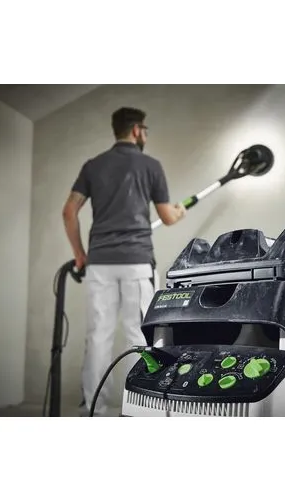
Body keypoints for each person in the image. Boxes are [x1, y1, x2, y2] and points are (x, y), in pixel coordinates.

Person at [62, 107, 186, 416]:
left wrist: (80, 254)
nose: (145, 135)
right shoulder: (150, 165)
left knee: (98, 336)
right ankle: (139, 410)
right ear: (136, 130)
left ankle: (93, 410)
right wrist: (179, 211)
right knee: (139, 335)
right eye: (145, 130)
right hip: (136, 263)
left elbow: (69, 211)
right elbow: (168, 217)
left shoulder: (93, 166)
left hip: (99, 264)